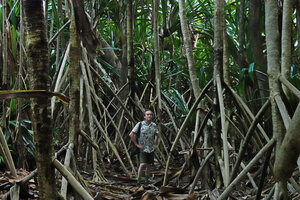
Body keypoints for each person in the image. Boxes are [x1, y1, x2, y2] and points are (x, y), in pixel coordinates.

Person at [129, 110, 158, 184]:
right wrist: (136, 144)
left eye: (150, 114)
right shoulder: (140, 124)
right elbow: (131, 134)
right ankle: (138, 180)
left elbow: (156, 134)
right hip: (143, 148)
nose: (149, 116)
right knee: (142, 164)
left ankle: (146, 180)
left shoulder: (154, 125)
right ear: (145, 116)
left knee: (149, 164)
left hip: (151, 148)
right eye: (147, 114)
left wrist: (155, 143)